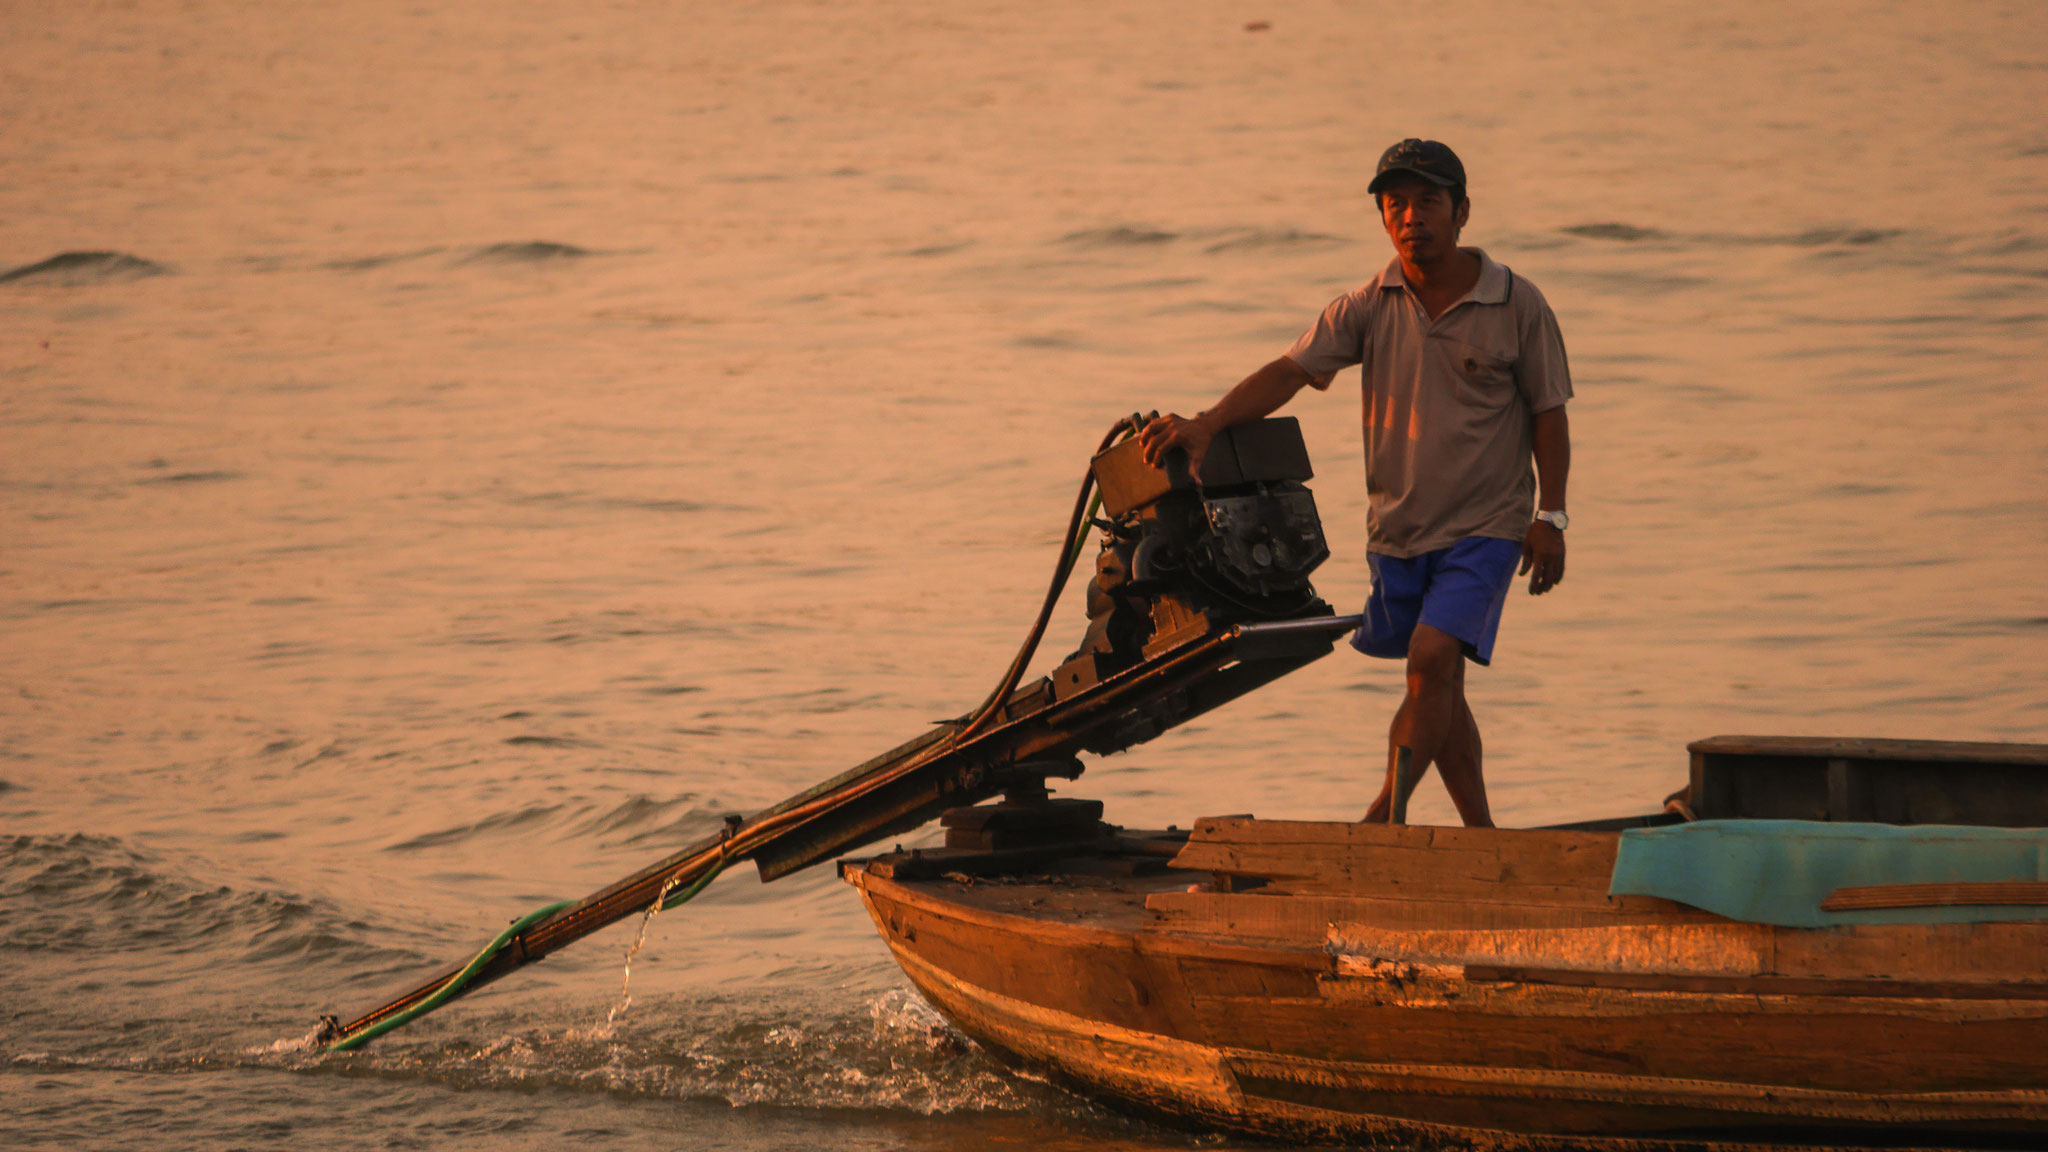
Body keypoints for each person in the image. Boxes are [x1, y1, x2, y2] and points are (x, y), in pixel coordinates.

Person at [1138, 138, 1571, 828]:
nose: (1411, 216)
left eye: (1428, 200)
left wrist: (1553, 516)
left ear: (1462, 211)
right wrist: (1209, 423)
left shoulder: (1518, 304)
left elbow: (1549, 412)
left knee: (1430, 660)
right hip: (1398, 531)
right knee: (1441, 685)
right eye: (1394, 203)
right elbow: (1291, 371)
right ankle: (1482, 836)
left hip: (1487, 527)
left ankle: (1381, 821)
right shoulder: (1370, 304)